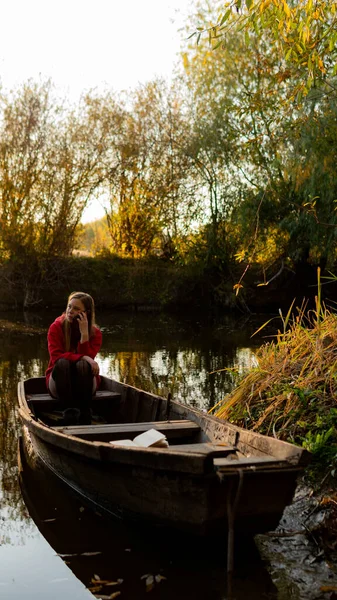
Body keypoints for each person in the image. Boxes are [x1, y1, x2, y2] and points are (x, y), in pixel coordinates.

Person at [45, 291, 102, 425]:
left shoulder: (96, 333)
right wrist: (84, 357)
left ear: (86, 313)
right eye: (69, 306)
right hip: (59, 384)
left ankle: (85, 412)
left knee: (83, 365)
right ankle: (68, 412)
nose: (70, 311)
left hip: (85, 386)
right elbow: (56, 357)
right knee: (63, 362)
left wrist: (84, 335)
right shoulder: (56, 327)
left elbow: (88, 364)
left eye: (76, 309)